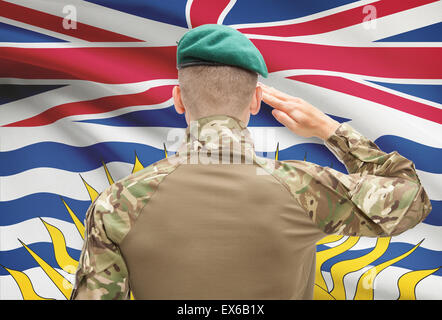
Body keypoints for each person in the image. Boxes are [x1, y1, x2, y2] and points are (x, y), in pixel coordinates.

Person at [70, 24, 432, 300]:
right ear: (257, 101)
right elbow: (412, 199)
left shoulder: (117, 203)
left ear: (178, 99)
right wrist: (329, 129)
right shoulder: (305, 188)